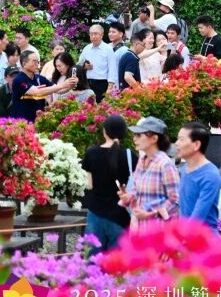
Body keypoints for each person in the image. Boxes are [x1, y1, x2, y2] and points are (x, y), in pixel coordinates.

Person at [81, 115, 133, 254]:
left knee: (92, 263)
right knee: (118, 266)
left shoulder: (92, 153)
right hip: (120, 215)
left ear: (104, 131)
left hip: (96, 212)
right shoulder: (129, 155)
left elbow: (90, 185)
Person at [120, 117, 180, 227]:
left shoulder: (165, 164)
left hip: (159, 233)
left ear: (154, 138)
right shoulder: (141, 161)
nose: (134, 139)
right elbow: (136, 194)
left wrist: (152, 214)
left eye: (139, 135)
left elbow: (175, 200)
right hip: (139, 231)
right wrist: (128, 197)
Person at [175, 121, 221, 232]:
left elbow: (197, 217)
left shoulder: (210, 175)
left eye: (181, 139)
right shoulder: (185, 169)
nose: (176, 143)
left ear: (196, 145)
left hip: (204, 240)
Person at [11, 51, 61, 121]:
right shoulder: (19, 80)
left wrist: (70, 84)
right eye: (34, 61)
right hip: (22, 123)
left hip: (39, 122)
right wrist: (62, 85)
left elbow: (59, 90)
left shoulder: (39, 78)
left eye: (38, 62)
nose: (37, 64)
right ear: (24, 64)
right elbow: (37, 92)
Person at [77, 24, 113, 102]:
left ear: (102, 35)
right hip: (87, 83)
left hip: (102, 83)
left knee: (99, 108)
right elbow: (79, 65)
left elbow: (112, 69)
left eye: (96, 34)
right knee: (87, 107)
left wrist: (110, 87)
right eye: (91, 34)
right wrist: (85, 66)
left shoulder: (108, 49)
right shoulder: (87, 48)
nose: (93, 36)